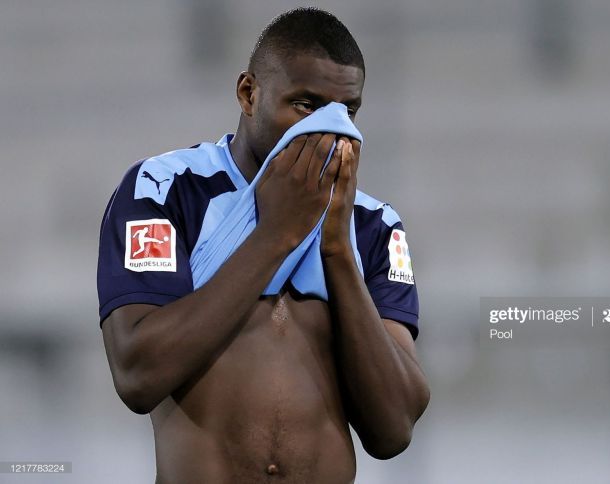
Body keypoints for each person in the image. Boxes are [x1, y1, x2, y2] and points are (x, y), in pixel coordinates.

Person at [96, 7, 430, 483]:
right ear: (249, 93)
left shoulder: (373, 224)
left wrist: (335, 249)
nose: (330, 130)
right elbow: (138, 375)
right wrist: (278, 232)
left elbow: (392, 431)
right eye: (306, 104)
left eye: (348, 110)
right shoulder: (165, 189)